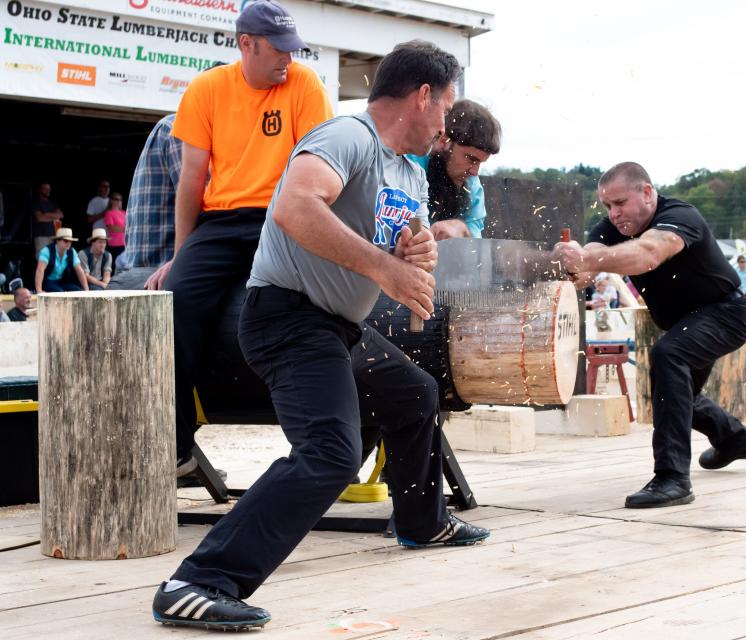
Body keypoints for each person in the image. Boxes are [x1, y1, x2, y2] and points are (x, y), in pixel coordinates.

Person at [151, 39, 489, 631]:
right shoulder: (346, 138)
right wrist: (386, 269)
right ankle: (197, 581)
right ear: (423, 95)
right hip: (286, 318)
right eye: (445, 108)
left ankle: (421, 521)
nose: (445, 124)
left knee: (414, 395)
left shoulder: (408, 170)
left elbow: (397, 242)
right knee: (330, 452)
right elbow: (295, 207)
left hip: (339, 327)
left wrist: (416, 250)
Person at [144, 0, 334, 478]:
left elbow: (322, 169)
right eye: (279, 49)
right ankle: (177, 447)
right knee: (176, 300)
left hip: (284, 215)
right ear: (245, 44)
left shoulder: (304, 84)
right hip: (222, 222)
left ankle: (323, 448)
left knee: (302, 306)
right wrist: (181, 254)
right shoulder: (207, 89)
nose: (288, 59)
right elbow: (191, 179)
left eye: (293, 49)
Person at [551, 162, 746, 509]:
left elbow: (648, 253)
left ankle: (672, 478)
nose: (614, 213)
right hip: (685, 322)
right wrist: (573, 265)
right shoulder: (609, 229)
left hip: (726, 313)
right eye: (607, 206)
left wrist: (590, 257)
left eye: (620, 203)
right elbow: (587, 274)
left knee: (669, 357)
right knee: (678, 393)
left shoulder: (680, 216)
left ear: (647, 193)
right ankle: (735, 440)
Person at [408, 99, 501, 239]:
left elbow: (474, 238)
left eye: (481, 162)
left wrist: (462, 228)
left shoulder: (472, 186)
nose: (474, 172)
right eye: (471, 159)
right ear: (443, 141)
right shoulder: (409, 165)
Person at [126, 115, 181, 268]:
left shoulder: (171, 125)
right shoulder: (180, 126)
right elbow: (204, 205)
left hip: (151, 267)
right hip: (162, 268)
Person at [34, 228, 89, 293]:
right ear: (57, 241)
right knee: (61, 293)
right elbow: (40, 270)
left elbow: (79, 271)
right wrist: (39, 290)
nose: (68, 243)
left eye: (70, 241)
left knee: (79, 292)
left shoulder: (72, 251)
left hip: (63, 282)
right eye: (66, 241)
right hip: (48, 282)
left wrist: (86, 290)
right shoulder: (47, 251)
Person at [31, 183, 64, 255]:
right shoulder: (36, 203)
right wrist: (54, 217)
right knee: (42, 259)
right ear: (40, 190)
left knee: (53, 259)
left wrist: (46, 214)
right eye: (45, 189)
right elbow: (40, 218)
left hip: (53, 235)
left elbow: (61, 215)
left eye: (49, 189)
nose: (48, 191)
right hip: (41, 236)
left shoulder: (52, 203)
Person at [102, 192, 127, 263]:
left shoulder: (124, 212)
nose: (119, 201)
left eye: (120, 199)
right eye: (116, 199)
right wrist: (126, 229)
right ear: (111, 200)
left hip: (124, 243)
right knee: (114, 265)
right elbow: (111, 228)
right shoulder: (109, 213)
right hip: (114, 244)